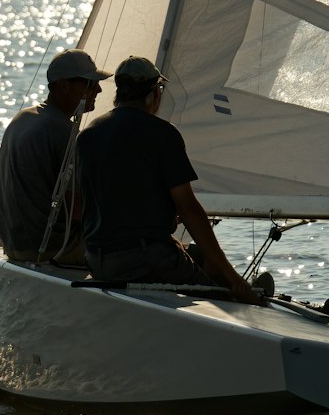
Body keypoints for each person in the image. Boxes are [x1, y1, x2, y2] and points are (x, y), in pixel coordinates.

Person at [77, 56, 267, 303]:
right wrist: (233, 279)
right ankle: (247, 293)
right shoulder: (163, 134)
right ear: (153, 94)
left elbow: (99, 199)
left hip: (97, 259)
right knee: (219, 296)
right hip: (144, 262)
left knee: (193, 255)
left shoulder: (89, 134)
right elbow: (189, 210)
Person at [0, 49, 110, 265]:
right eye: (91, 84)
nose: (99, 89)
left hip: (14, 245)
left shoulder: (23, 118)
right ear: (64, 85)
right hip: (52, 250)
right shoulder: (65, 133)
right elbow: (76, 210)